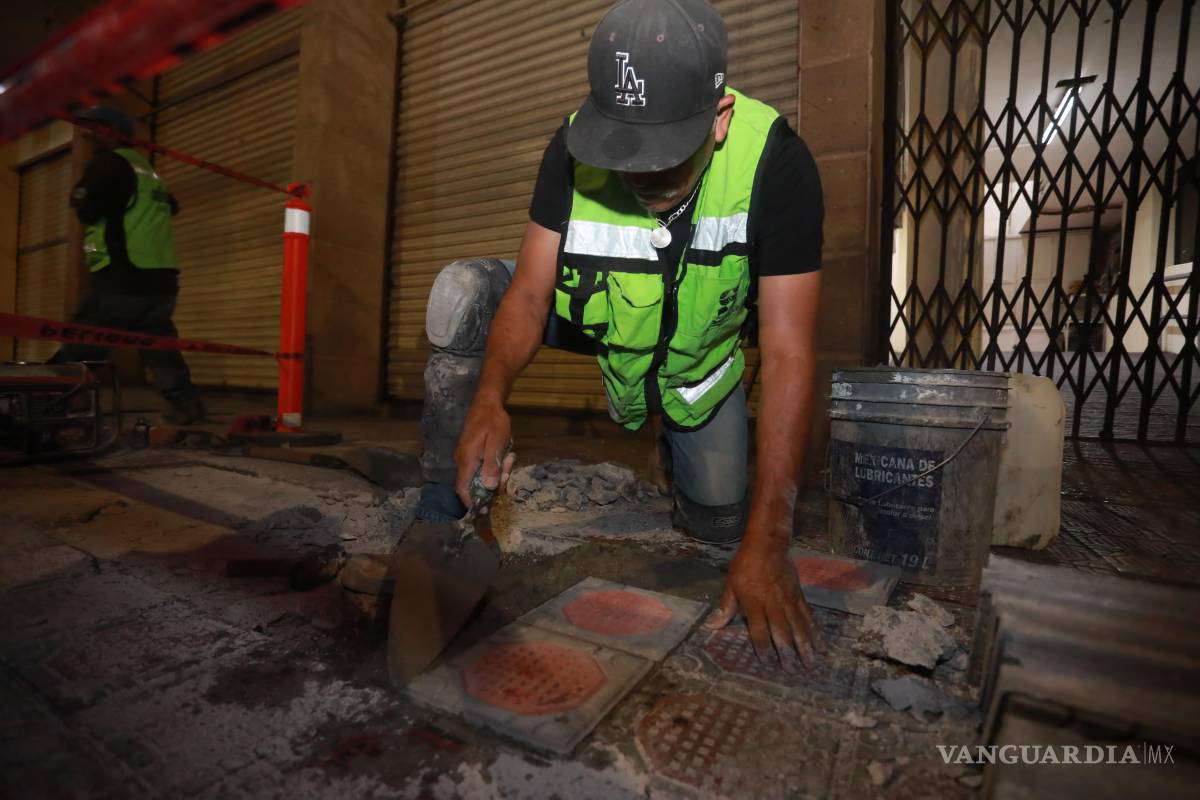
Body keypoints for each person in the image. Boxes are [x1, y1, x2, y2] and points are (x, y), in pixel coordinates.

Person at [417, 0, 825, 670]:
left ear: (718, 119)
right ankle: (439, 515)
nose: (639, 177)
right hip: (606, 316)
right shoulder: (572, 143)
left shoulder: (776, 164)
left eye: (664, 158)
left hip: (697, 360)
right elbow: (527, 293)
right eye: (624, 151)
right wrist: (490, 397)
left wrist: (771, 538)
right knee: (466, 290)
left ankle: (682, 452)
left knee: (723, 531)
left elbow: (788, 352)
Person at [50, 105, 205, 425]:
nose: (87, 134)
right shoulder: (146, 169)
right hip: (161, 277)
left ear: (111, 130)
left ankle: (53, 401)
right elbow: (171, 207)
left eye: (93, 127)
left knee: (86, 337)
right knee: (158, 344)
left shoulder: (109, 163)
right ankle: (186, 403)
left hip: (124, 272)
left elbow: (86, 208)